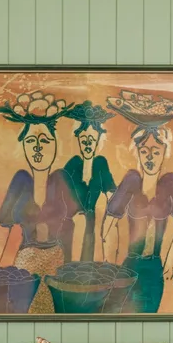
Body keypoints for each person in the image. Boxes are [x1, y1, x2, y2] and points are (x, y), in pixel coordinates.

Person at [0, 91, 78, 314]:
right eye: (31, 141)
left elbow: (79, 224)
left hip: (56, 262)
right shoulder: (21, 181)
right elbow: (4, 230)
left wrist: (73, 270)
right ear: (24, 147)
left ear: (55, 145)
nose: (37, 148)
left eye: (44, 140)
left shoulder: (60, 179)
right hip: (25, 264)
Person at [102, 116, 173, 314]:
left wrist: (170, 264)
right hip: (129, 267)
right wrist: (109, 262)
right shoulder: (131, 181)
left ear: (164, 153)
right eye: (144, 151)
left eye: (155, 151)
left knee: (148, 316)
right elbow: (110, 219)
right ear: (138, 154)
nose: (149, 157)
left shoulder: (171, 184)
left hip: (154, 269)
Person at [61, 101, 116, 262]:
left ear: (99, 139)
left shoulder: (100, 164)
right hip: (69, 224)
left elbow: (112, 193)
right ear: (78, 139)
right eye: (84, 138)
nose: (87, 143)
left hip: (91, 223)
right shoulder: (73, 164)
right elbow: (60, 191)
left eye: (92, 138)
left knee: (86, 264)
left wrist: (111, 221)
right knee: (68, 263)